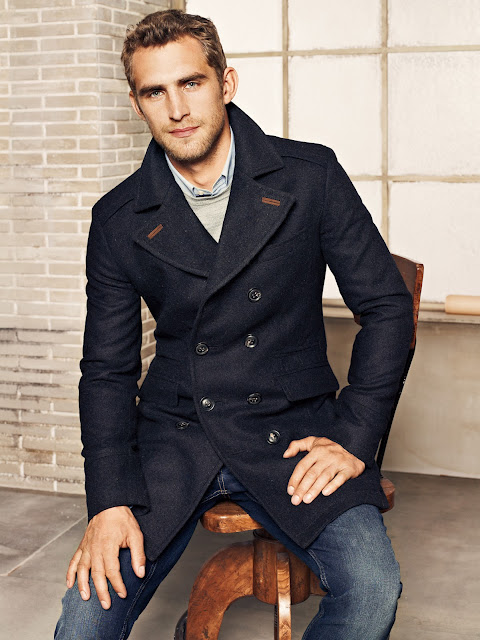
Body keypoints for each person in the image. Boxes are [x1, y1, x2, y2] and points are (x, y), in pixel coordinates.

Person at [54, 9, 413, 639]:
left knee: (373, 591)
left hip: (293, 431)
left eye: (191, 83)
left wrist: (355, 437)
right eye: (155, 92)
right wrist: (108, 501)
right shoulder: (117, 218)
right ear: (137, 106)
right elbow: (106, 371)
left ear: (227, 83)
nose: (177, 109)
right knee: (85, 623)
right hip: (176, 435)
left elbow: (386, 307)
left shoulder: (310, 176)